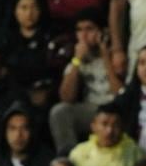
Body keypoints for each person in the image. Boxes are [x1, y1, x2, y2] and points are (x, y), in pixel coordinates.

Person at [50, 10, 123, 153]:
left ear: (103, 31)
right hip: (93, 109)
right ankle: (68, 162)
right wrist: (77, 61)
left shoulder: (117, 56)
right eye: (79, 30)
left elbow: (120, 93)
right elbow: (66, 97)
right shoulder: (77, 57)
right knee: (59, 111)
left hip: (117, 108)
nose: (83, 35)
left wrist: (105, 55)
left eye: (89, 29)